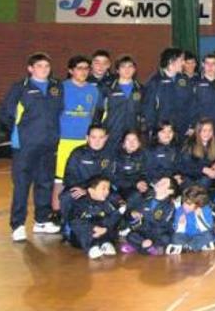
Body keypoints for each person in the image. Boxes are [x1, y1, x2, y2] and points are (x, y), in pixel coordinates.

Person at [53, 55, 103, 223]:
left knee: (86, 178)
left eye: (86, 68)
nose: (83, 72)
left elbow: (95, 114)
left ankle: (86, 212)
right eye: (79, 68)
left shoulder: (93, 90)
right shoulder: (61, 88)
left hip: (85, 140)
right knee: (60, 178)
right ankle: (57, 212)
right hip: (65, 140)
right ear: (71, 71)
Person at [143, 47, 194, 137]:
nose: (183, 63)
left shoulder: (184, 80)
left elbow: (192, 103)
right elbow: (149, 108)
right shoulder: (155, 81)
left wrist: (192, 125)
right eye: (181, 60)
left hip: (183, 129)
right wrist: (151, 128)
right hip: (163, 131)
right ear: (171, 61)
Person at [67, 176, 121, 259]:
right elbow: (74, 221)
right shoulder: (80, 204)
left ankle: (105, 243)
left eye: (108, 189)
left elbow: (114, 217)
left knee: (110, 222)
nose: (107, 191)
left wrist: (105, 228)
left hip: (102, 231)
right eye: (103, 189)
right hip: (85, 235)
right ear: (91, 190)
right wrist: (93, 228)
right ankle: (92, 247)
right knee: (81, 226)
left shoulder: (108, 203)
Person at [122, 176, 178, 255]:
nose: (159, 183)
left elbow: (163, 225)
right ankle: (147, 247)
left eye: (164, 183)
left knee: (166, 239)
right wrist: (132, 214)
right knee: (130, 236)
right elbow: (131, 215)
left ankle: (142, 246)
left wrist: (150, 240)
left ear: (170, 191)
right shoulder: (146, 199)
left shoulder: (170, 206)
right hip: (144, 232)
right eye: (160, 181)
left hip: (158, 233)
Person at [101, 55, 144, 154]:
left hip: (132, 134)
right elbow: (99, 112)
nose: (127, 69)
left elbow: (143, 112)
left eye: (130, 66)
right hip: (111, 132)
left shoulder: (141, 89)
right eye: (123, 66)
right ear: (117, 70)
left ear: (134, 69)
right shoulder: (107, 89)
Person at [168, 185, 215, 253]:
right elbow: (176, 229)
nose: (185, 206)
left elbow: (208, 228)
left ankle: (187, 247)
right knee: (175, 237)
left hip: (199, 235)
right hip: (186, 236)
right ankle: (191, 246)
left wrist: (199, 217)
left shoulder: (205, 209)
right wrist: (181, 225)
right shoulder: (180, 210)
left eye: (189, 204)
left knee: (208, 236)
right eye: (184, 203)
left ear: (198, 205)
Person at [191, 53, 215, 138]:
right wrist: (193, 125)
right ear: (203, 64)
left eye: (213, 64)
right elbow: (192, 106)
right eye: (207, 63)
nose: (210, 66)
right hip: (202, 127)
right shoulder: (195, 83)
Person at [178, 118, 215, 189]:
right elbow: (185, 167)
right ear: (198, 131)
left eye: (210, 131)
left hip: (206, 178)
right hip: (189, 176)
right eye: (204, 131)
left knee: (206, 180)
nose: (207, 134)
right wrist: (203, 169)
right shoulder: (189, 144)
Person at [111, 130, 148, 213]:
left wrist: (144, 182)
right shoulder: (116, 156)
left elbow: (146, 173)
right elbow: (113, 177)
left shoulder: (144, 156)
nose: (132, 143)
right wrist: (135, 184)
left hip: (137, 188)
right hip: (119, 188)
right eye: (128, 140)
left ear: (139, 143)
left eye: (135, 140)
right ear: (123, 144)